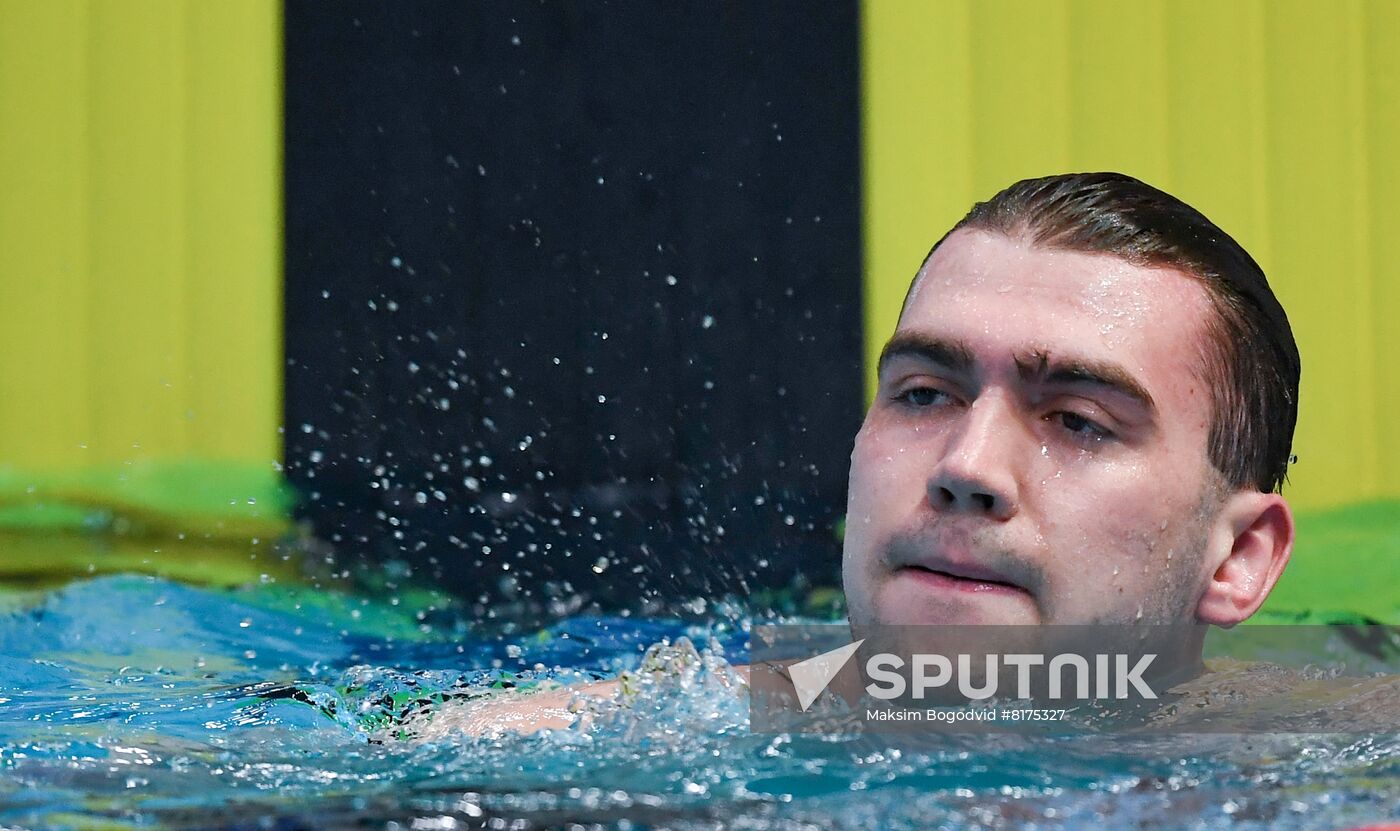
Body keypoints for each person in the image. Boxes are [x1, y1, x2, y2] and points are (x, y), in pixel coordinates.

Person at [431, 172, 1302, 736]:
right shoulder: (626, 732)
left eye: (1077, 419)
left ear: (1237, 559)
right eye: (926, 394)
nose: (967, 467)